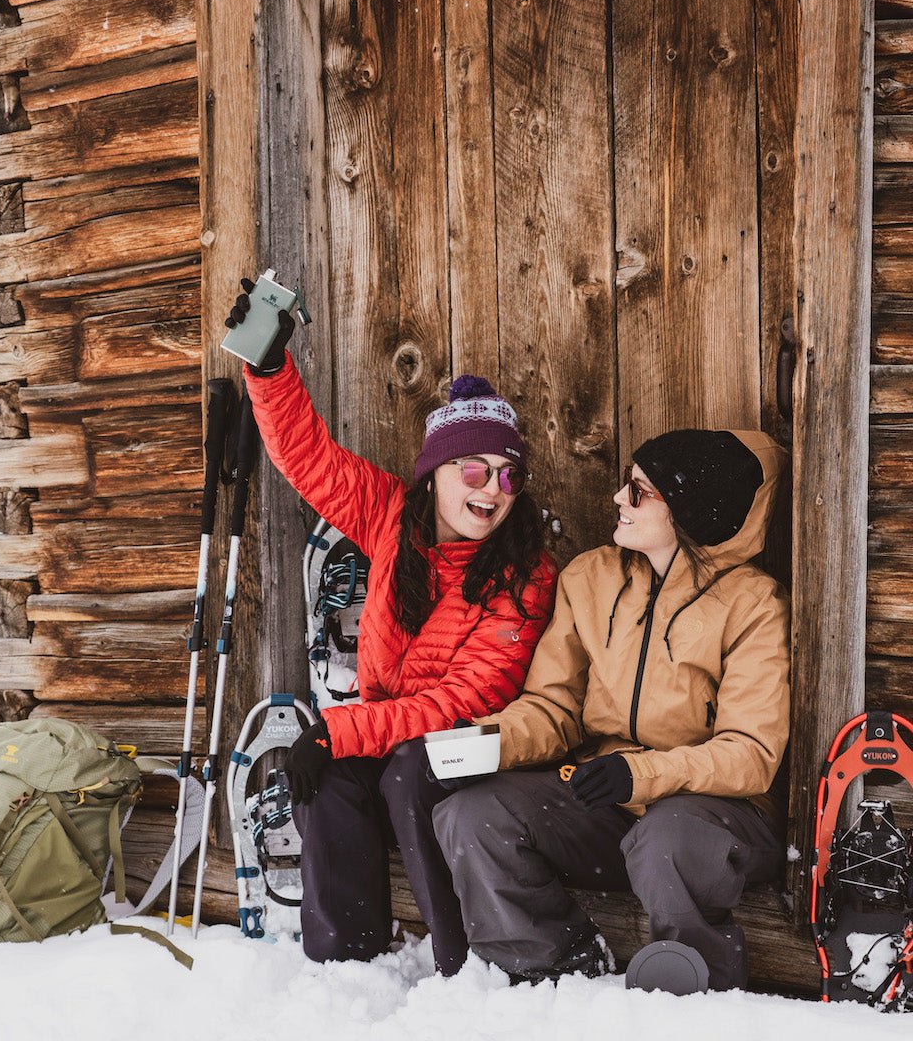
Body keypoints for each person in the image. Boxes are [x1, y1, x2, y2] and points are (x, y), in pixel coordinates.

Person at [226, 291, 558, 975]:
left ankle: (460, 959)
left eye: (508, 475)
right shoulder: (391, 518)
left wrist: (341, 728)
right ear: (435, 473)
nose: (492, 489)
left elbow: (467, 699)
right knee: (332, 776)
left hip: (473, 751)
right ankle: (345, 962)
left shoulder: (523, 571)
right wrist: (267, 367)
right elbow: (307, 459)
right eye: (474, 469)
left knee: (409, 768)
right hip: (390, 725)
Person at [432, 429, 790, 990]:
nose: (619, 498)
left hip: (717, 815)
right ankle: (549, 970)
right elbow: (555, 706)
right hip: (607, 793)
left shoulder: (752, 605)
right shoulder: (591, 578)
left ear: (690, 512)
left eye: (639, 492)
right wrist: (487, 740)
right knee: (473, 816)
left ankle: (697, 988)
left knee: (668, 836)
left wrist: (642, 773)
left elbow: (751, 754)